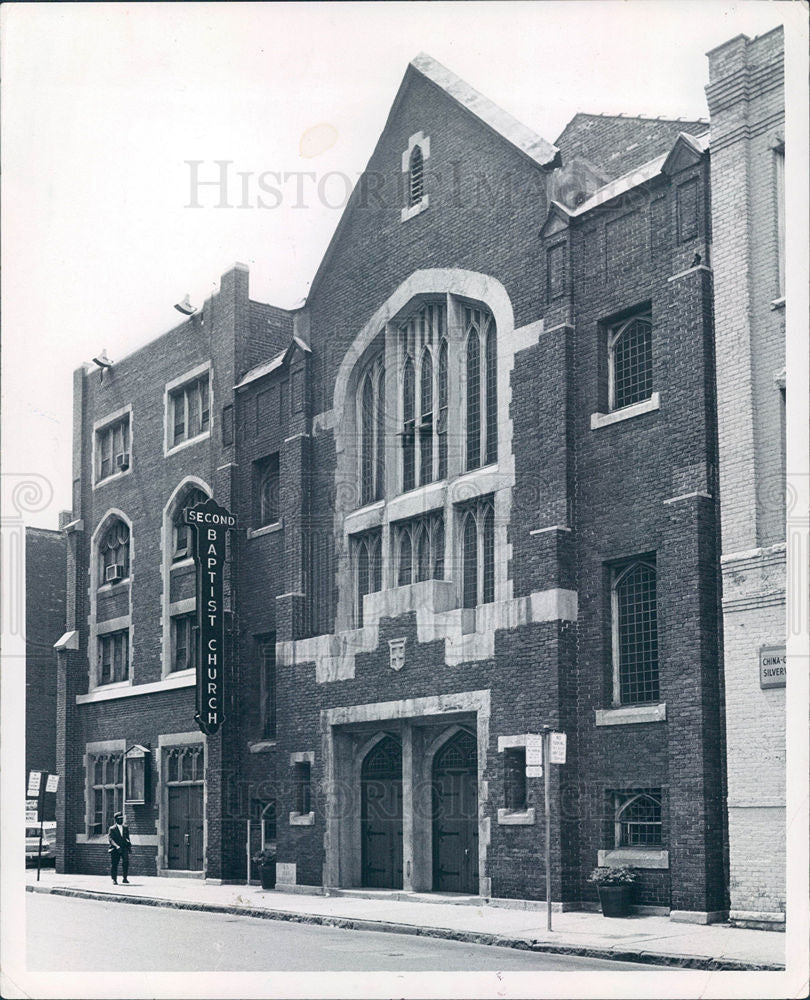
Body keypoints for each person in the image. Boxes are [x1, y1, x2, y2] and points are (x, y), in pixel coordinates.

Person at [108, 811, 132, 885]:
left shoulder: (125, 828)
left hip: (124, 848)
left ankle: (125, 878)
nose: (121, 820)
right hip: (115, 849)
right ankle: (114, 879)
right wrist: (116, 846)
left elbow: (127, 838)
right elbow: (110, 839)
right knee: (114, 864)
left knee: (126, 862)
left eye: (122, 818)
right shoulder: (112, 829)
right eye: (119, 819)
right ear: (116, 819)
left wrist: (129, 846)